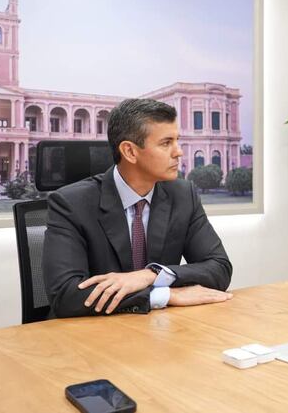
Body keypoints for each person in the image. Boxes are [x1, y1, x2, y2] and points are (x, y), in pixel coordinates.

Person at [43, 98, 233, 318]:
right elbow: (66, 296)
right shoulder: (70, 204)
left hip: (159, 331)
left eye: (177, 140)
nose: (178, 152)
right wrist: (164, 296)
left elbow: (219, 268)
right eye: (166, 143)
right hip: (91, 335)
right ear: (130, 152)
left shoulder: (183, 195)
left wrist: (151, 275)